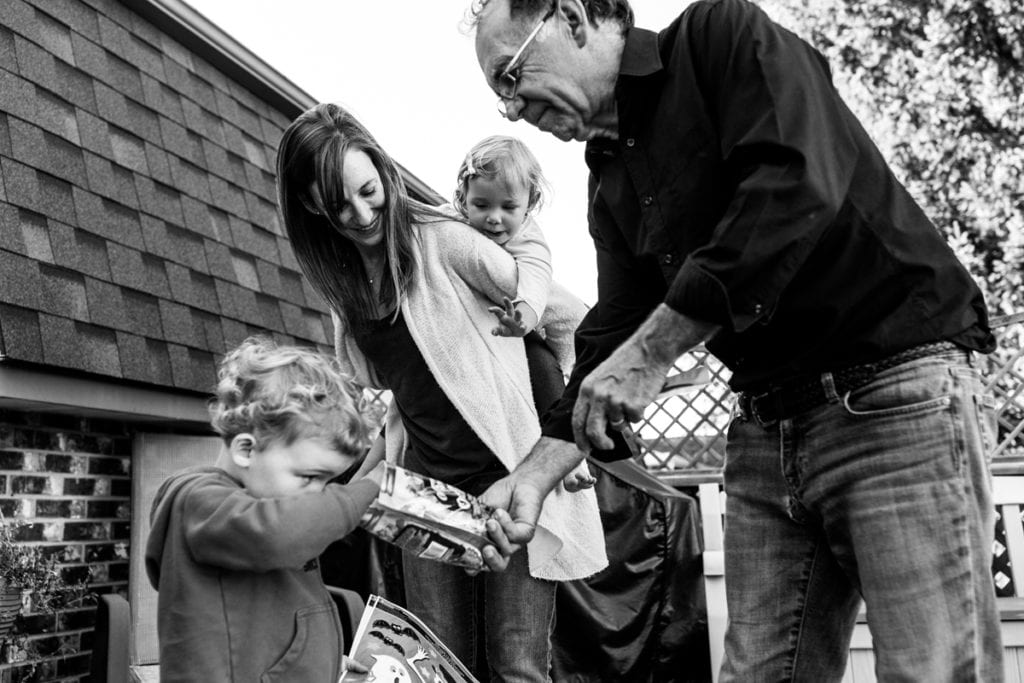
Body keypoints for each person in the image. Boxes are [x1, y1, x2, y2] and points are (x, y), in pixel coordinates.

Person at [469, 0, 1003, 680]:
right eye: (498, 98)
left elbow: (795, 183)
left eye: (510, 76)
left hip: (893, 395)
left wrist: (655, 349)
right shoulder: (608, 175)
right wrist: (531, 478)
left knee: (934, 669)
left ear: (572, 18)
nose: (511, 110)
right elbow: (619, 326)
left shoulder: (720, 36)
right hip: (764, 431)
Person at [275, 102, 606, 682]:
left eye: (368, 190)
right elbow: (405, 403)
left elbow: (569, 319)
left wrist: (565, 437)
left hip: (511, 483)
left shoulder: (446, 242)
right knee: (433, 665)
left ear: (383, 169)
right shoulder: (348, 293)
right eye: (337, 204)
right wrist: (342, 497)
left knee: (516, 664)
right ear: (309, 206)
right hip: (426, 496)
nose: (360, 213)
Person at [144, 336, 383, 682]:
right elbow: (275, 534)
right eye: (310, 477)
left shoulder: (254, 506)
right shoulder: (197, 502)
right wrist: (368, 489)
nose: (318, 494)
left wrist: (326, 660)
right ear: (246, 450)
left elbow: (269, 620)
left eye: (327, 481)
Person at [452, 134, 595, 491]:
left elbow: (534, 285)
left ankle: (571, 462)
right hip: (506, 320)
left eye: (508, 208)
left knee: (548, 373)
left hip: (556, 324)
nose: (494, 218)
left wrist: (523, 322)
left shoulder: (529, 238)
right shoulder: (455, 224)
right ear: (463, 200)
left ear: (529, 205)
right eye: (481, 205)